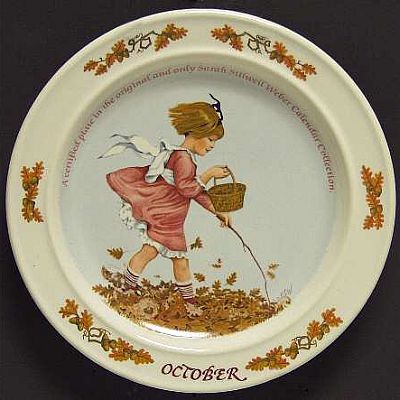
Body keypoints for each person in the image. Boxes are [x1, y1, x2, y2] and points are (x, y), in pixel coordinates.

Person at [104, 96, 231, 310]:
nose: (212, 146)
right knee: (178, 259)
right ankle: (189, 302)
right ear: (196, 133)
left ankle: (128, 285)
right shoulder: (183, 159)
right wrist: (209, 175)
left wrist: (217, 210)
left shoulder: (183, 156)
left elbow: (196, 192)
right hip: (167, 217)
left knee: (150, 251)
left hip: (169, 216)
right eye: (211, 139)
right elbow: (187, 189)